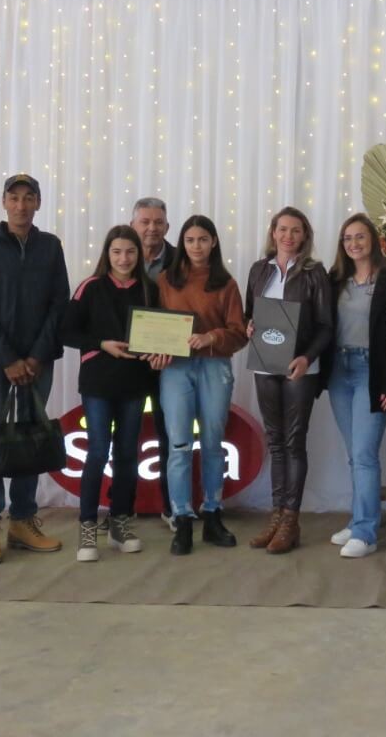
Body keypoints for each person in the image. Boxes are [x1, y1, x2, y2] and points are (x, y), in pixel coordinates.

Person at [0, 174, 70, 564]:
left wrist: (36, 356)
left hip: (38, 360)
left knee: (30, 436)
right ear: (4, 203)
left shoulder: (50, 246)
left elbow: (59, 304)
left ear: (39, 203)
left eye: (29, 198)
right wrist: (8, 358)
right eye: (14, 198)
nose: (21, 205)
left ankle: (23, 520)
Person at [61, 225, 164, 562]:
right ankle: (88, 526)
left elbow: (162, 333)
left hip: (134, 385)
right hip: (98, 384)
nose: (124, 258)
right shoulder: (90, 287)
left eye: (130, 252)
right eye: (117, 251)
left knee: (127, 454)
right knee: (97, 451)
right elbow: (67, 331)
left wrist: (162, 351)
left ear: (139, 254)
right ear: (107, 253)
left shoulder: (150, 289)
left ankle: (121, 521)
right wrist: (101, 343)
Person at [244, 206, 333, 555]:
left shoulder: (314, 273)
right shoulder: (258, 270)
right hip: (265, 364)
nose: (288, 236)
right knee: (276, 442)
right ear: (273, 232)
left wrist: (306, 357)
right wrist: (248, 325)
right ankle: (276, 518)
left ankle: (291, 521)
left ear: (304, 236)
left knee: (294, 442)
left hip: (300, 368)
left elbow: (326, 326)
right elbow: (247, 315)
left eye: (295, 231)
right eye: (282, 229)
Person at [157, 215, 248, 556]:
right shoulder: (166, 280)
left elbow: (238, 333)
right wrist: (156, 349)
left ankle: (212, 513)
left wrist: (211, 337)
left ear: (213, 243)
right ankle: (182, 518)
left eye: (203, 240)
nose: (196, 246)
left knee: (212, 443)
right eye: (190, 240)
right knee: (179, 445)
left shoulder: (226, 284)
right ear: (183, 243)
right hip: (176, 370)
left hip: (214, 367)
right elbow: (153, 325)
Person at [325, 214, 386, 559]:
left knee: (364, 455)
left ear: (374, 239)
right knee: (353, 454)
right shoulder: (334, 280)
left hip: (372, 371)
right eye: (347, 238)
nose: (354, 244)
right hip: (339, 373)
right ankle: (359, 518)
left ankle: (366, 532)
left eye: (360, 237)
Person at [130, 196, 176, 525]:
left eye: (158, 222)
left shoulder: (182, 260)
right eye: (145, 221)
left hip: (169, 364)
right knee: (126, 435)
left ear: (167, 227)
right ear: (134, 225)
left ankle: (172, 506)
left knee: (170, 435)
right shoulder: (119, 255)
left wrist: (168, 348)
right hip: (127, 363)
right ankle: (122, 505)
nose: (151, 228)